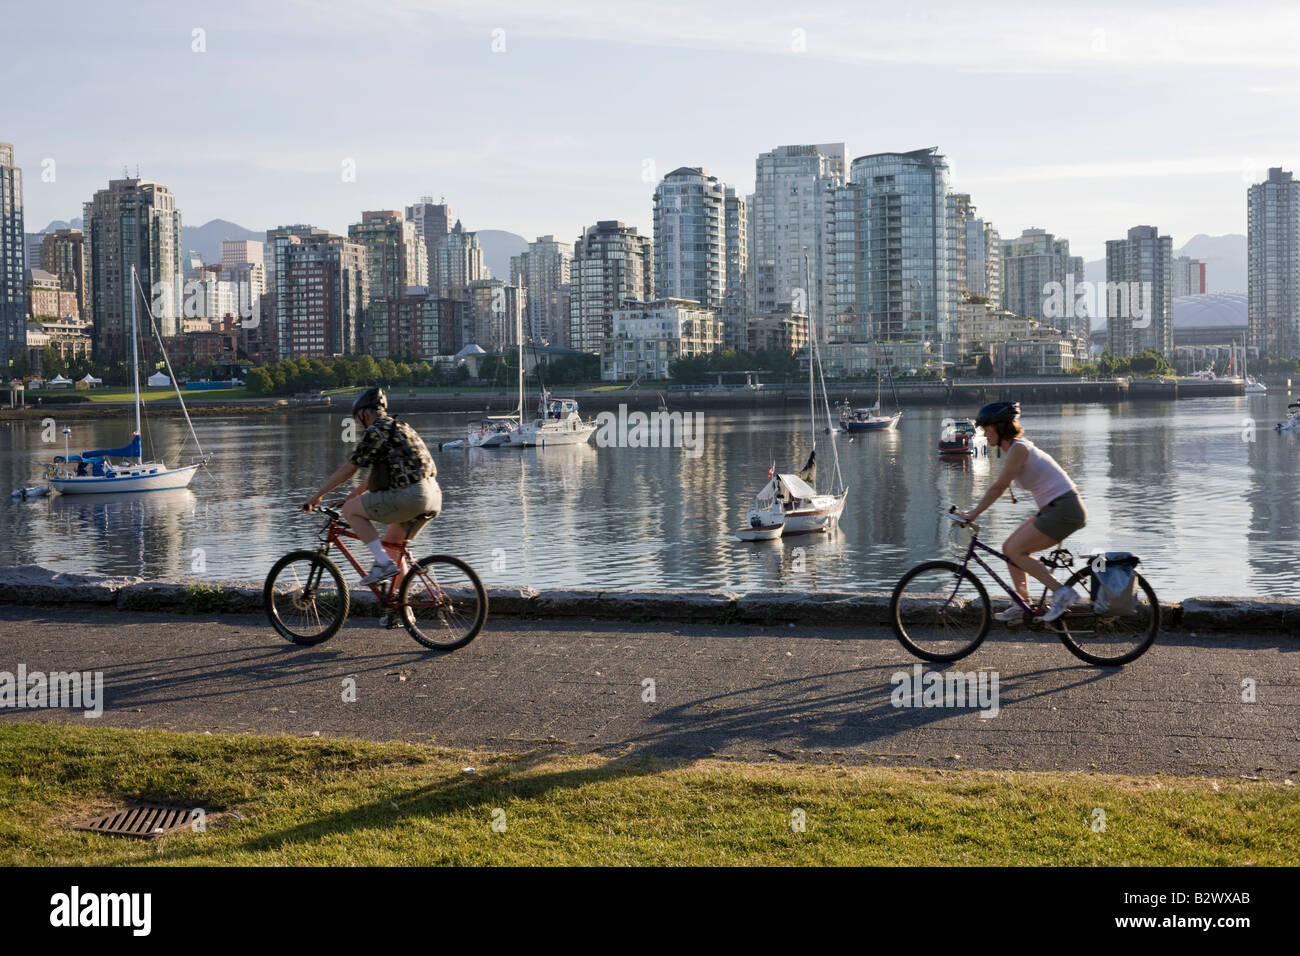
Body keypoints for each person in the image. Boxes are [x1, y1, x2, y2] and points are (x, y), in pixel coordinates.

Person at [955, 401, 1088, 623]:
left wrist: (972, 514)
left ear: (1001, 427)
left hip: (1064, 509)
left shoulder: (1019, 449)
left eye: (988, 429)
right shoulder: (1016, 449)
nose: (985, 434)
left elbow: (998, 488)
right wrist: (972, 512)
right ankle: (1021, 603)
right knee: (1009, 548)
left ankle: (1062, 593)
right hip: (1055, 508)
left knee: (1016, 550)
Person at [303, 387, 442, 592]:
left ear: (365, 414)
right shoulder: (401, 427)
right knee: (391, 547)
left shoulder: (376, 430)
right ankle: (403, 609)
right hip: (432, 495)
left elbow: (350, 468)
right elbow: (376, 477)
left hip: (410, 496)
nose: (359, 424)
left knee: (349, 511)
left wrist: (317, 496)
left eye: (358, 419)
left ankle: (382, 564)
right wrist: (352, 496)